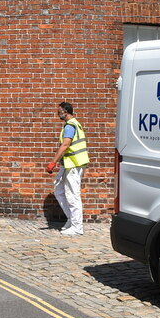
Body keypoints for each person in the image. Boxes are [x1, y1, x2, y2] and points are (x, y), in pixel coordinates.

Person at [46, 101, 89, 236]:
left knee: (72, 195)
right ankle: (71, 219)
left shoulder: (70, 126)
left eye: (59, 111)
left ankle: (77, 227)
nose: (58, 113)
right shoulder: (73, 124)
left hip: (74, 164)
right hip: (69, 164)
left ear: (66, 111)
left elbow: (65, 145)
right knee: (59, 190)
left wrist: (53, 162)